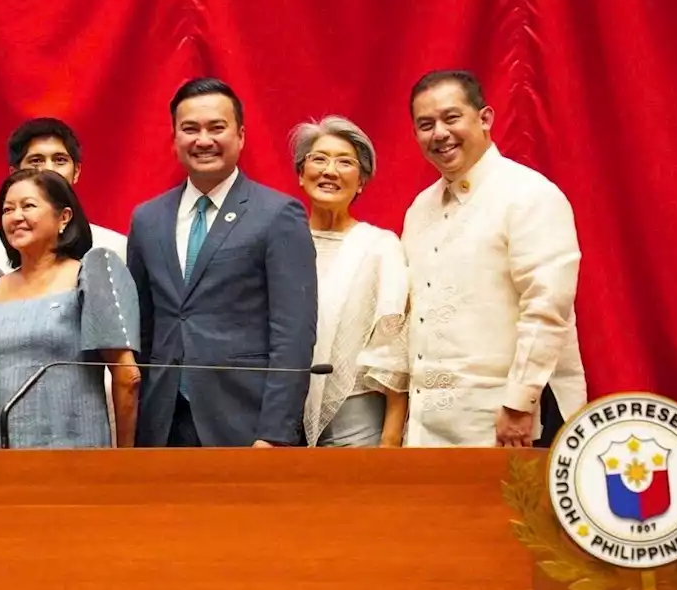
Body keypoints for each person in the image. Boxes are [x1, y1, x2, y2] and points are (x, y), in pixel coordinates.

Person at [127, 78, 318, 447]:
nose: (203, 140)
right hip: (162, 425)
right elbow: (144, 330)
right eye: (190, 129)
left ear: (241, 135)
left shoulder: (277, 215)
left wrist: (275, 433)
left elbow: (293, 334)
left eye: (217, 127)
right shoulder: (147, 220)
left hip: (245, 423)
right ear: (174, 138)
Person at [402, 69, 586, 447]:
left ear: (484, 118)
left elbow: (547, 306)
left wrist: (520, 405)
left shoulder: (528, 194)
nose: (439, 133)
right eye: (426, 124)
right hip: (425, 428)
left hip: (508, 422)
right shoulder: (419, 209)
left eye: (451, 118)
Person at [0, 170, 140, 448]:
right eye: (7, 209)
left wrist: (123, 460)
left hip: (74, 461)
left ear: (64, 217)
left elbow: (127, 375)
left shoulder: (91, 275)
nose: (15, 217)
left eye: (28, 206)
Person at [289, 117, 409, 447]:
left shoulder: (381, 246)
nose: (330, 171)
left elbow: (395, 349)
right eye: (319, 159)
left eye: (345, 162)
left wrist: (390, 438)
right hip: (280, 418)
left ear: (361, 181)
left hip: (356, 418)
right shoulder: (280, 243)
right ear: (301, 174)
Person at [0, 118, 127, 272]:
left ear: (76, 171)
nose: (48, 169)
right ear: (14, 173)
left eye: (60, 160)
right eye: (36, 161)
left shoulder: (113, 248)